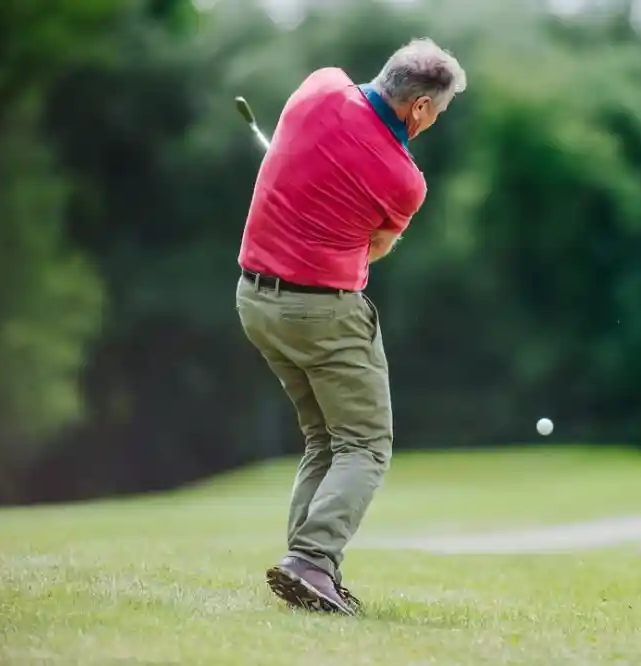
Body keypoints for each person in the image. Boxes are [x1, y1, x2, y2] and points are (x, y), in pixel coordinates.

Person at [235, 38, 467, 616]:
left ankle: (308, 570)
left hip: (255, 300)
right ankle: (312, 560)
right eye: (437, 112)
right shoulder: (405, 179)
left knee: (324, 440)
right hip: (324, 315)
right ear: (418, 107)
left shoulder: (318, 86)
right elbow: (375, 249)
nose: (434, 122)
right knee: (364, 445)